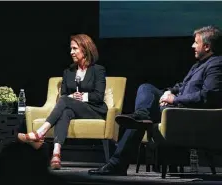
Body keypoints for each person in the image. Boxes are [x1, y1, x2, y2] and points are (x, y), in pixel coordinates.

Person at [88, 25, 222, 176]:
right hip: (176, 107)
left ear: (207, 46)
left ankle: (117, 163)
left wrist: (174, 99)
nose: (192, 46)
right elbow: (182, 85)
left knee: (141, 118)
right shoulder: (199, 64)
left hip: (186, 112)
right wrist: (168, 92)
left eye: (196, 43)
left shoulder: (216, 64)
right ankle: (141, 115)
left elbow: (208, 96)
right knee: (146, 88)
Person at [17, 34, 108, 170]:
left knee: (65, 101)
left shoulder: (98, 70)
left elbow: (98, 96)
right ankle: (56, 154)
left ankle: (40, 133)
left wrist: (81, 97)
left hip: (94, 110)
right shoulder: (68, 72)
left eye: (75, 48)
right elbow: (65, 94)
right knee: (65, 111)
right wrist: (72, 96)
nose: (71, 52)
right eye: (71, 49)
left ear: (85, 48)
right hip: (73, 109)